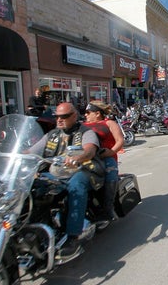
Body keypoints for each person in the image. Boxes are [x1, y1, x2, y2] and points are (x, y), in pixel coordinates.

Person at [26, 102, 99, 260]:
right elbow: (32, 151)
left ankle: (73, 236)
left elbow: (90, 149)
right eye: (57, 116)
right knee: (33, 187)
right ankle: (32, 228)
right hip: (56, 172)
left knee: (76, 186)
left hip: (81, 170)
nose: (59, 120)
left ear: (74, 116)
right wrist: (12, 155)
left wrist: (77, 158)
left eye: (64, 116)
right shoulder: (52, 135)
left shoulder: (86, 132)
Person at [83, 101, 124, 229]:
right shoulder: (82, 125)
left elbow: (120, 140)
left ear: (97, 113)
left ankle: (108, 207)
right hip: (86, 158)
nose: (85, 115)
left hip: (105, 157)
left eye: (88, 113)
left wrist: (110, 152)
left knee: (110, 174)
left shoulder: (109, 123)